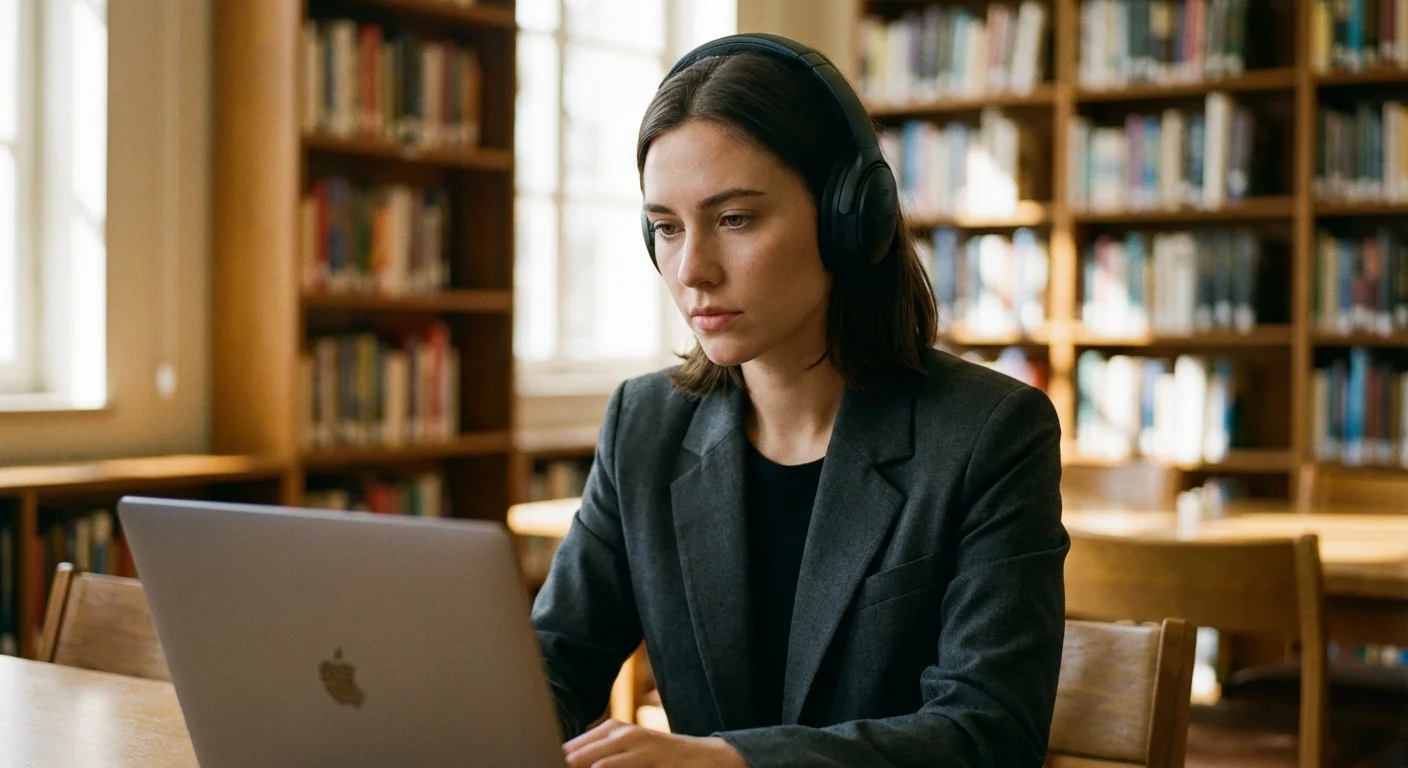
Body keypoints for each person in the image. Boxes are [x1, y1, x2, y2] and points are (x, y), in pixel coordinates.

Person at [532, 33, 1069, 768]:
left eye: (736, 219)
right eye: (666, 227)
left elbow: (989, 733)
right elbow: (555, 664)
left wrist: (730, 763)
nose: (693, 269)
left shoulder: (991, 433)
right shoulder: (644, 425)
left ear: (851, 219)